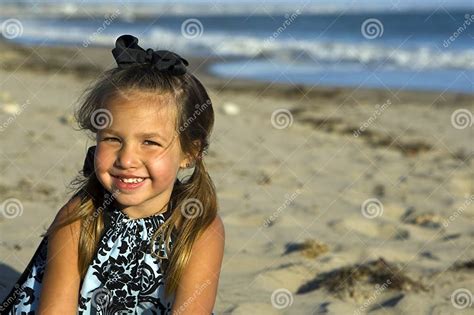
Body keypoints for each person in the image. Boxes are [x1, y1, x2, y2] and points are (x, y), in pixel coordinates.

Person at [0, 34, 225, 314]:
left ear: (189, 153)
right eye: (112, 139)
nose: (127, 159)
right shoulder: (79, 219)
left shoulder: (198, 226)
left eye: (150, 142)